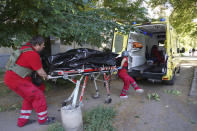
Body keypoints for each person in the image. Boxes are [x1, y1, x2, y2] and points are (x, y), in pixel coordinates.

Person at [4, 35, 55, 127]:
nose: (43, 47)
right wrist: (49, 77)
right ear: (36, 45)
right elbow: (41, 72)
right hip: (16, 79)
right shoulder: (32, 54)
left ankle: (22, 121)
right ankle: (43, 119)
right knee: (38, 96)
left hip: (14, 77)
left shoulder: (25, 48)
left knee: (30, 97)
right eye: (42, 45)